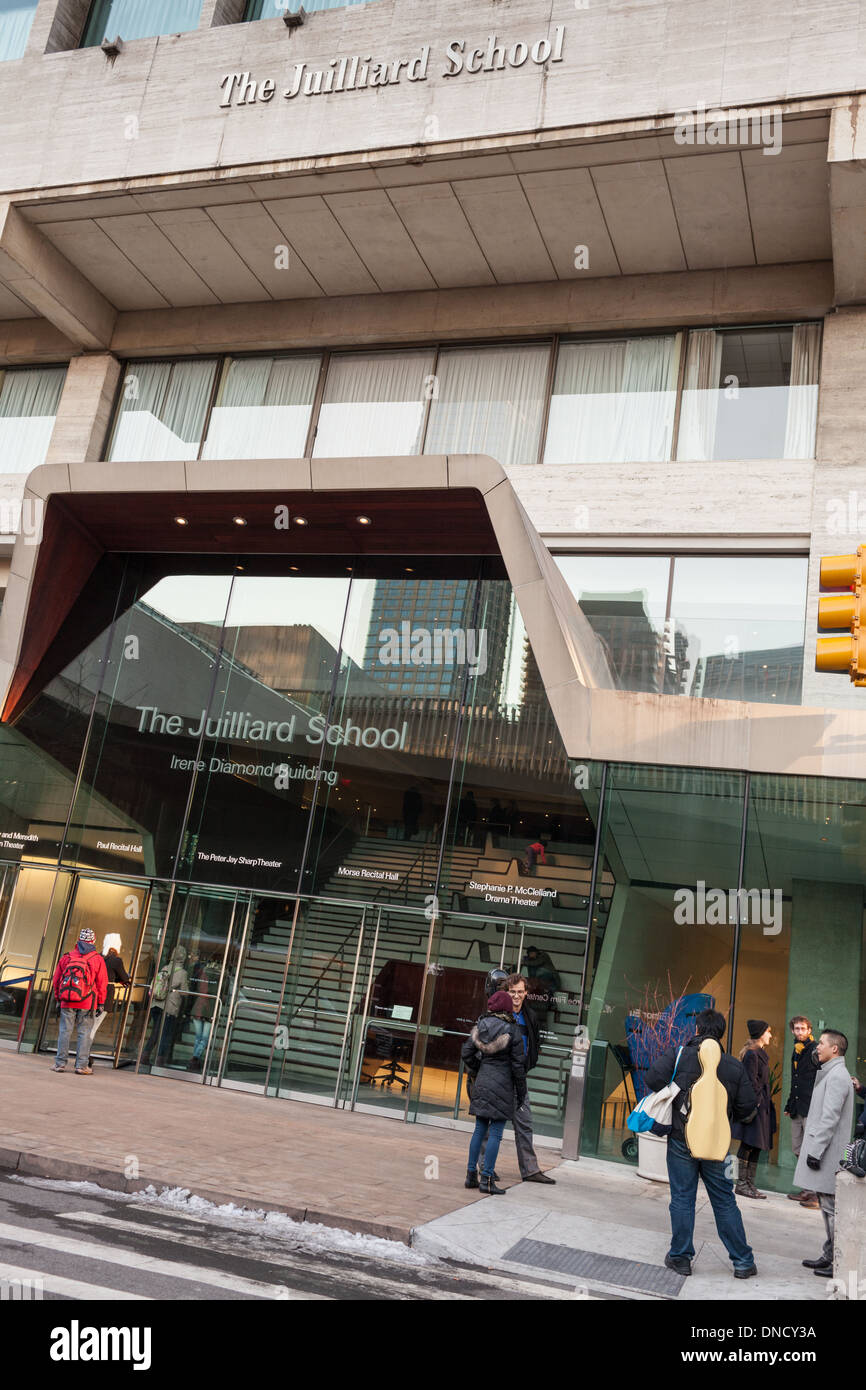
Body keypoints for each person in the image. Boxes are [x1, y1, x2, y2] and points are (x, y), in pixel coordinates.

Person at [645, 1008, 759, 1279]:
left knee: (683, 1198)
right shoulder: (733, 1065)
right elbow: (747, 1108)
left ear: (696, 1030)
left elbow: (652, 1080)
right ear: (721, 1035)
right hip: (717, 1145)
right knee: (724, 1201)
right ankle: (743, 1261)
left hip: (681, 1139)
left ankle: (681, 1258)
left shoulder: (679, 1054)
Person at [480, 973, 556, 1185]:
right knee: (490, 1125)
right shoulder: (495, 1015)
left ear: (526, 993)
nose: (516, 996)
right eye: (512, 992)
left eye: (520, 992)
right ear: (505, 992)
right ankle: (485, 1167)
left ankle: (530, 1170)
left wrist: (529, 1063)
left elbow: (534, 1042)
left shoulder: (530, 1016)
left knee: (525, 1123)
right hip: (497, 1078)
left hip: (518, 1078)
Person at [796, 1029, 855, 1278]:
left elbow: (829, 1119)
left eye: (821, 1043)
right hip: (824, 1151)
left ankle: (836, 1261)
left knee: (831, 1209)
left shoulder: (838, 1077)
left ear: (835, 1049)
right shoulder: (834, 1074)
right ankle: (829, 1255)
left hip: (827, 1153)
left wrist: (816, 1152)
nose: (817, 1047)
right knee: (827, 1207)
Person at [461, 989, 526, 1195]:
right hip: (503, 1085)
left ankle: (471, 1175)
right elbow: (518, 1066)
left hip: (482, 1082)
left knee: (479, 1131)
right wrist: (521, 1091)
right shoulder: (512, 1031)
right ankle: (487, 1179)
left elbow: (466, 1053)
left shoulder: (480, 1026)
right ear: (507, 1008)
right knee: (496, 1134)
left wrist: (477, 1070)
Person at [51, 927, 108, 1075]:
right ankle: (81, 1066)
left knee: (65, 1031)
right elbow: (102, 984)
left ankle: (59, 1064)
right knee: (84, 1032)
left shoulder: (67, 957)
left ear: (79, 940)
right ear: (93, 941)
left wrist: (58, 997)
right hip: (87, 1002)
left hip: (67, 1000)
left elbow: (56, 980)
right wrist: (101, 1003)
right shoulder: (97, 959)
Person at [732, 1020, 776, 1200]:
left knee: (755, 1146)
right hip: (756, 1108)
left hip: (761, 1107)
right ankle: (742, 1184)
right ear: (761, 1034)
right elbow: (750, 1082)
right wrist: (757, 1104)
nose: (771, 1036)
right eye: (768, 1032)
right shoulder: (752, 1054)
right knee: (749, 1145)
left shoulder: (759, 1053)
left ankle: (749, 1183)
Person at [784, 1014, 821, 1208]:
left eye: (803, 1029)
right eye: (796, 1029)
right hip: (797, 1107)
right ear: (793, 1030)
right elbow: (795, 1080)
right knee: (798, 1149)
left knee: (810, 1150)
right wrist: (790, 1104)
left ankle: (814, 1193)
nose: (800, 1032)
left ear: (809, 1030)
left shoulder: (815, 1050)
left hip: (811, 1107)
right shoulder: (796, 1050)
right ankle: (807, 1190)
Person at [140, 945, 188, 1067]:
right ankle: (159, 1059)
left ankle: (146, 1055)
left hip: (156, 1003)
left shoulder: (165, 967)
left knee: (155, 1031)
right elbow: (184, 992)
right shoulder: (182, 973)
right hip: (169, 1006)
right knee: (164, 1033)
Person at [89, 932, 131, 1049]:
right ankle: (84, 1055)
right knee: (94, 1026)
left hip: (91, 994)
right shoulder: (116, 961)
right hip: (105, 995)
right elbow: (124, 978)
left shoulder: (97, 957)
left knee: (88, 1025)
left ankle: (83, 1054)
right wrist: (125, 978)